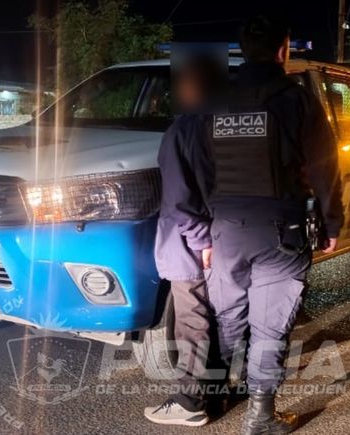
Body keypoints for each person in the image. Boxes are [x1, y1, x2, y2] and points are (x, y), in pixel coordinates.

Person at [206, 17, 344, 434]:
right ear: (283, 51)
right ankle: (260, 417)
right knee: (270, 324)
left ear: (242, 51)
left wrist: (199, 232)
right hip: (279, 229)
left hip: (224, 229)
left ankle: (229, 387)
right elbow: (325, 166)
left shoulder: (214, 99)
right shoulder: (297, 99)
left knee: (229, 314)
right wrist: (332, 221)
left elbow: (194, 165)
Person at [143, 55, 224, 427]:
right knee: (215, 317)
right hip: (225, 237)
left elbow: (179, 200)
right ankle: (216, 390)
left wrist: (201, 240)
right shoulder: (228, 126)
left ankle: (190, 404)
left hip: (191, 244)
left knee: (191, 321)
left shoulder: (183, 130)